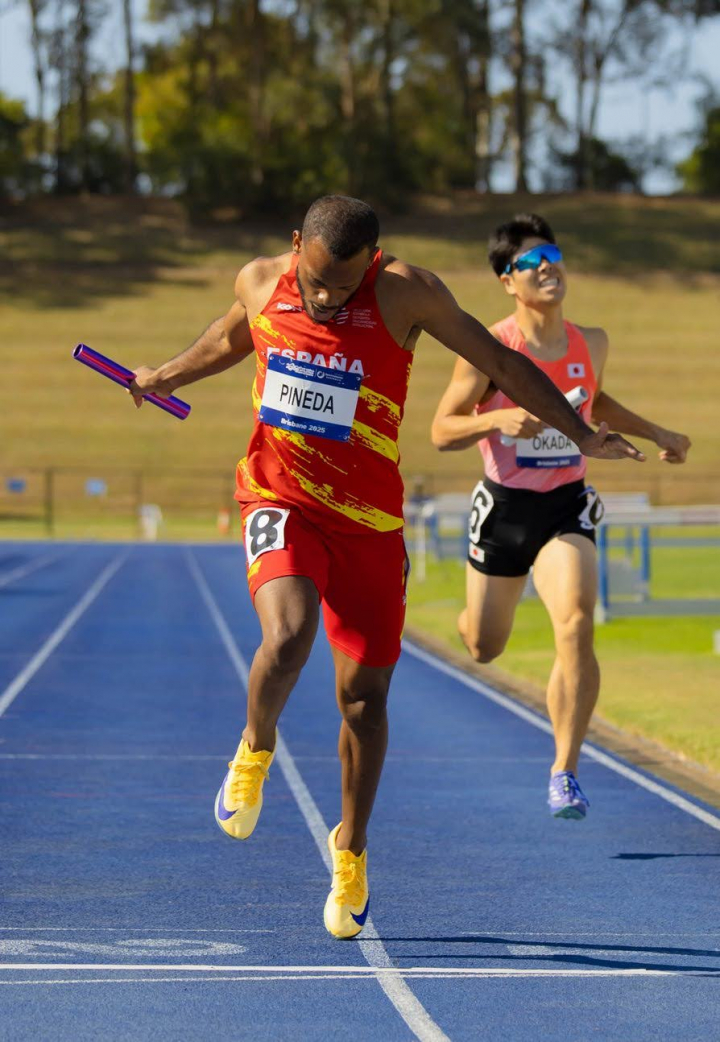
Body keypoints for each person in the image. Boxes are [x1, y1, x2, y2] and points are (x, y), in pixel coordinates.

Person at [130, 197, 642, 938]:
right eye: (316, 280)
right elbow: (234, 333)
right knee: (288, 633)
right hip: (280, 496)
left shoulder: (407, 291)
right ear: (294, 244)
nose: (328, 297)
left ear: (372, 261)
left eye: (344, 284)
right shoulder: (261, 279)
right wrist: (168, 375)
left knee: (364, 700)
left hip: (370, 524)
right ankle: (255, 746)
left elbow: (500, 361)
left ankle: (351, 850)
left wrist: (582, 433)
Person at [431, 213, 690, 821]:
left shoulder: (590, 342)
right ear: (507, 281)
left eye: (551, 252)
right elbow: (442, 430)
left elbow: (594, 401)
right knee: (483, 646)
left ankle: (564, 770)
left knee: (576, 621)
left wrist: (657, 431)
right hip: (504, 510)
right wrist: (493, 419)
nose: (546, 265)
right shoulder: (489, 350)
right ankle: (471, 611)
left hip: (564, 504)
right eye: (529, 261)